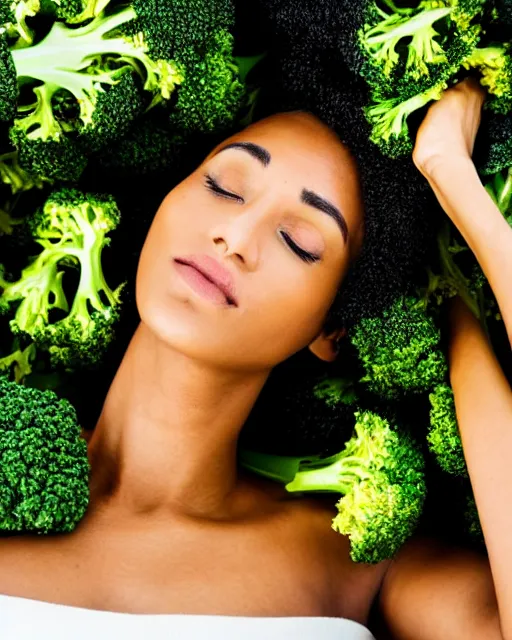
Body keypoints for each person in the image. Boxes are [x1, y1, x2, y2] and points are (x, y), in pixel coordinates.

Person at [0, 78, 510, 640]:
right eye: (224, 185)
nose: (235, 235)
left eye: (299, 241)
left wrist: (458, 241)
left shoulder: (361, 562)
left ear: (330, 331)